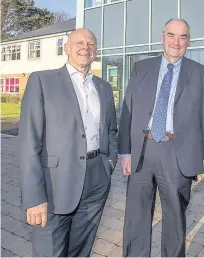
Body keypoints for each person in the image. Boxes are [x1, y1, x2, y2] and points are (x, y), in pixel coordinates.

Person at [19, 28, 118, 257]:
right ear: (67, 48)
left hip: (96, 179)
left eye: (91, 43)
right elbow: (28, 142)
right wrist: (34, 197)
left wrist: (109, 163)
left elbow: (111, 130)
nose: (86, 47)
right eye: (79, 42)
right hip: (55, 184)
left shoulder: (103, 88)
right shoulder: (42, 81)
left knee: (81, 251)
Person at [118, 18, 204, 257]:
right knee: (136, 218)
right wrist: (124, 151)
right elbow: (127, 111)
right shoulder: (141, 68)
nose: (176, 42)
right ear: (162, 38)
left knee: (175, 219)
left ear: (188, 42)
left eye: (183, 37)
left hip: (177, 153)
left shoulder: (200, 73)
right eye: (171, 35)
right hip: (143, 150)